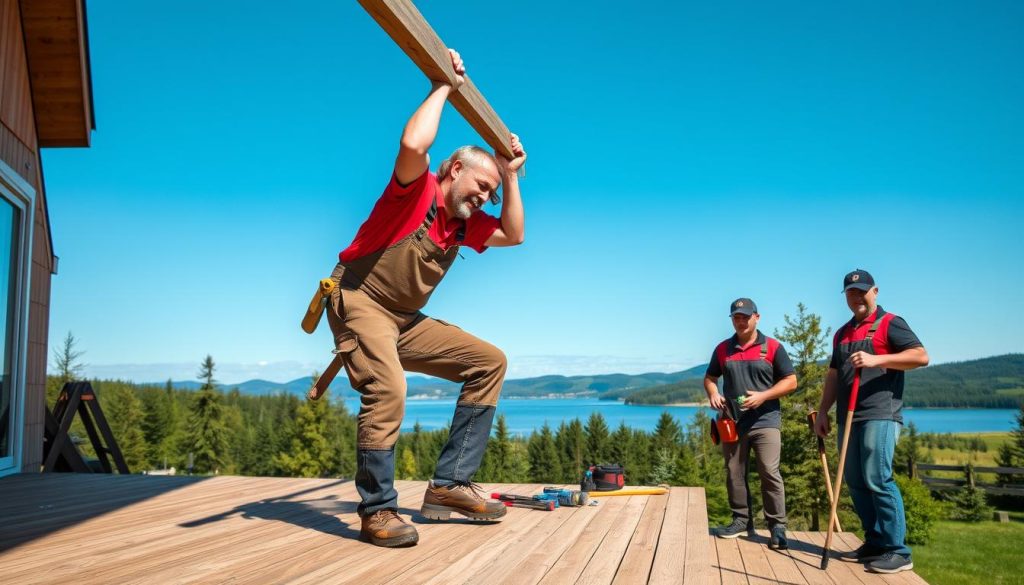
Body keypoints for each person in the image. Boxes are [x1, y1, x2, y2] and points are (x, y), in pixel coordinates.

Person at [325, 49, 527, 547]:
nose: (483, 199)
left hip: (405, 318)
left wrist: (511, 175)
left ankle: (449, 485)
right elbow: (413, 141)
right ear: (454, 168)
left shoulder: (464, 225)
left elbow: (515, 234)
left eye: (489, 196)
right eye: (481, 186)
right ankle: (377, 510)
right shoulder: (414, 194)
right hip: (358, 298)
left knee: (489, 362)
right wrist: (445, 87)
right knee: (389, 388)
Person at [814, 269, 929, 574]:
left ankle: (898, 551)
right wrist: (824, 410)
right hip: (846, 416)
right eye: (851, 293)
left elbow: (920, 356)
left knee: (877, 477)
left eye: (862, 291)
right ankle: (875, 542)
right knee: (854, 480)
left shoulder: (891, 323)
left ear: (875, 291)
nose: (857, 297)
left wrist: (877, 359)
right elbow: (834, 375)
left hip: (880, 412)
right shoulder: (841, 333)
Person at [704, 298, 797, 549]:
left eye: (746, 316)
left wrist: (763, 396)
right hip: (732, 422)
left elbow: (790, 381)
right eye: (736, 317)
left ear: (757, 317)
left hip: (766, 420)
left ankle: (777, 526)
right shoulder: (723, 349)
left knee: (769, 470)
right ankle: (741, 520)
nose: (741, 321)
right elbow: (710, 378)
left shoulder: (773, 348)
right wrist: (713, 392)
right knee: (734, 471)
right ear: (732, 319)